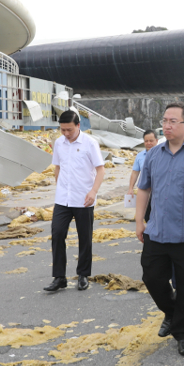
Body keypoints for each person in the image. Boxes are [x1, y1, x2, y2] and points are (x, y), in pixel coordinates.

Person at [135, 103, 184, 357]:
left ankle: (183, 334)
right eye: (164, 120)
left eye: (173, 121)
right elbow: (144, 188)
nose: (167, 126)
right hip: (156, 231)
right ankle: (171, 312)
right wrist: (139, 220)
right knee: (152, 277)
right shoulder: (153, 154)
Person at [44, 110, 106, 293]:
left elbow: (100, 170)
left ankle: (83, 275)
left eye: (69, 130)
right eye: (62, 130)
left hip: (84, 199)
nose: (66, 134)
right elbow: (57, 167)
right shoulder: (59, 143)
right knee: (57, 234)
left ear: (78, 126)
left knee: (84, 238)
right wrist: (60, 187)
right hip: (63, 199)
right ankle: (59, 277)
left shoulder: (90, 143)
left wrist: (93, 192)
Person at [127, 130, 158, 196]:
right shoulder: (139, 156)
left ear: (157, 141)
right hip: (145, 190)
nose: (148, 143)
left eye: (151, 141)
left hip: (159, 190)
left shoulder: (163, 154)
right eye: (146, 141)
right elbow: (135, 173)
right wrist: (130, 188)